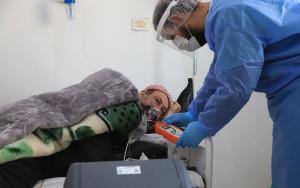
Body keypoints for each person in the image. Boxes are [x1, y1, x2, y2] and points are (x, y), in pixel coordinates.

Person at [152, 0, 300, 188]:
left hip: (295, 86)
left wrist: (204, 125)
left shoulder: (229, 16)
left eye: (173, 37)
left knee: (292, 171)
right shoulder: (223, 15)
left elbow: (236, 86)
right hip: (289, 88)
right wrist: (194, 113)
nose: (179, 43)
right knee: (287, 166)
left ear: (177, 18)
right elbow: (218, 75)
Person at [0, 83, 180, 188]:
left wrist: (170, 112)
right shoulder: (121, 100)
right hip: (42, 150)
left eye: (161, 110)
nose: (156, 109)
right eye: (156, 101)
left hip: (51, 163)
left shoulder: (136, 132)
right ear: (143, 93)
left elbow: (155, 130)